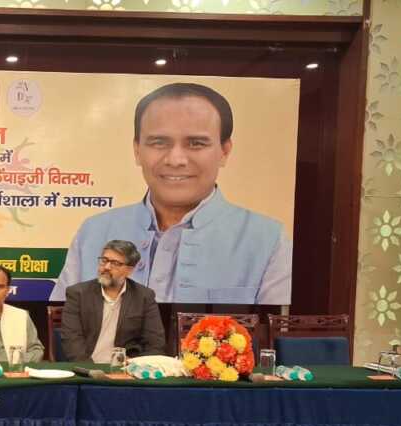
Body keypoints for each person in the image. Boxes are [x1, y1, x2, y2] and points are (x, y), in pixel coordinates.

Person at [52, 82, 292, 305]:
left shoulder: (268, 239)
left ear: (225, 151)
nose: (175, 160)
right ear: (137, 150)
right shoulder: (94, 232)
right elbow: (61, 324)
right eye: (159, 142)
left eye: (196, 143)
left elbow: (275, 330)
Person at [60, 240, 165, 362]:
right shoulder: (78, 294)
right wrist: (90, 369)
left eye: (115, 263)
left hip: (125, 368)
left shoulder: (144, 296)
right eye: (104, 260)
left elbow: (155, 343)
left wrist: (135, 365)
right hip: (87, 365)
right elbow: (72, 340)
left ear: (129, 270)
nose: (106, 267)